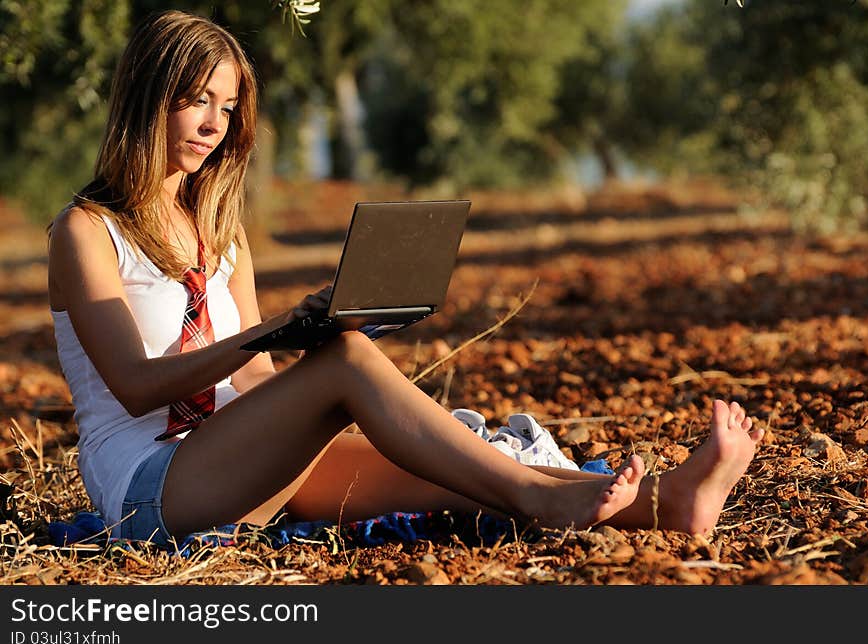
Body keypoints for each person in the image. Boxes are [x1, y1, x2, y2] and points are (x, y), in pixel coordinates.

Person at [47, 10, 764, 549]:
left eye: (228, 107)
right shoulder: (85, 231)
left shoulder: (222, 235)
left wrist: (327, 356)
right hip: (150, 489)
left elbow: (257, 384)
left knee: (453, 470)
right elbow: (137, 384)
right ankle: (543, 500)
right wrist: (296, 337)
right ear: (147, 96)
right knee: (354, 366)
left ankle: (671, 503)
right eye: (197, 99)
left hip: (237, 459)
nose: (214, 123)